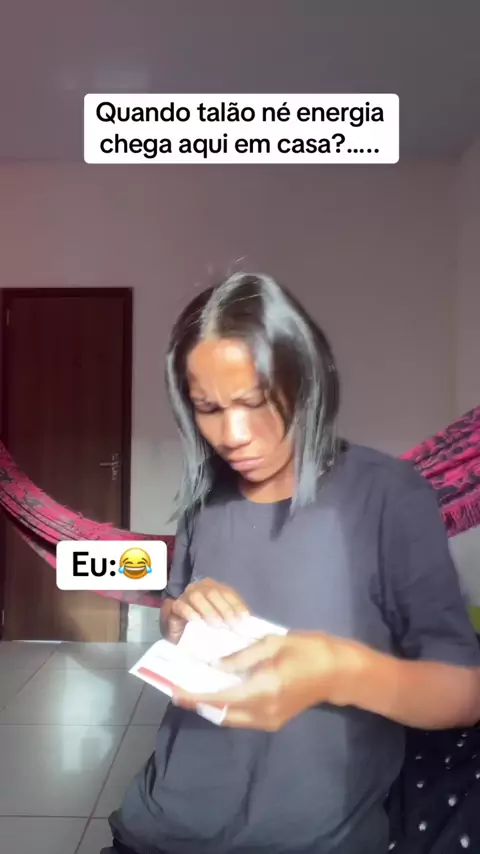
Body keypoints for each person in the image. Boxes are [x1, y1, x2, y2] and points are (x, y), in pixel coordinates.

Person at [103, 272, 480, 854]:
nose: (232, 434)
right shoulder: (205, 504)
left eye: (254, 401)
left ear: (306, 378)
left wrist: (336, 669)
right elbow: (173, 616)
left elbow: (463, 693)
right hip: (158, 824)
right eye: (208, 408)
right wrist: (177, 617)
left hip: (311, 840)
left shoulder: (390, 496)